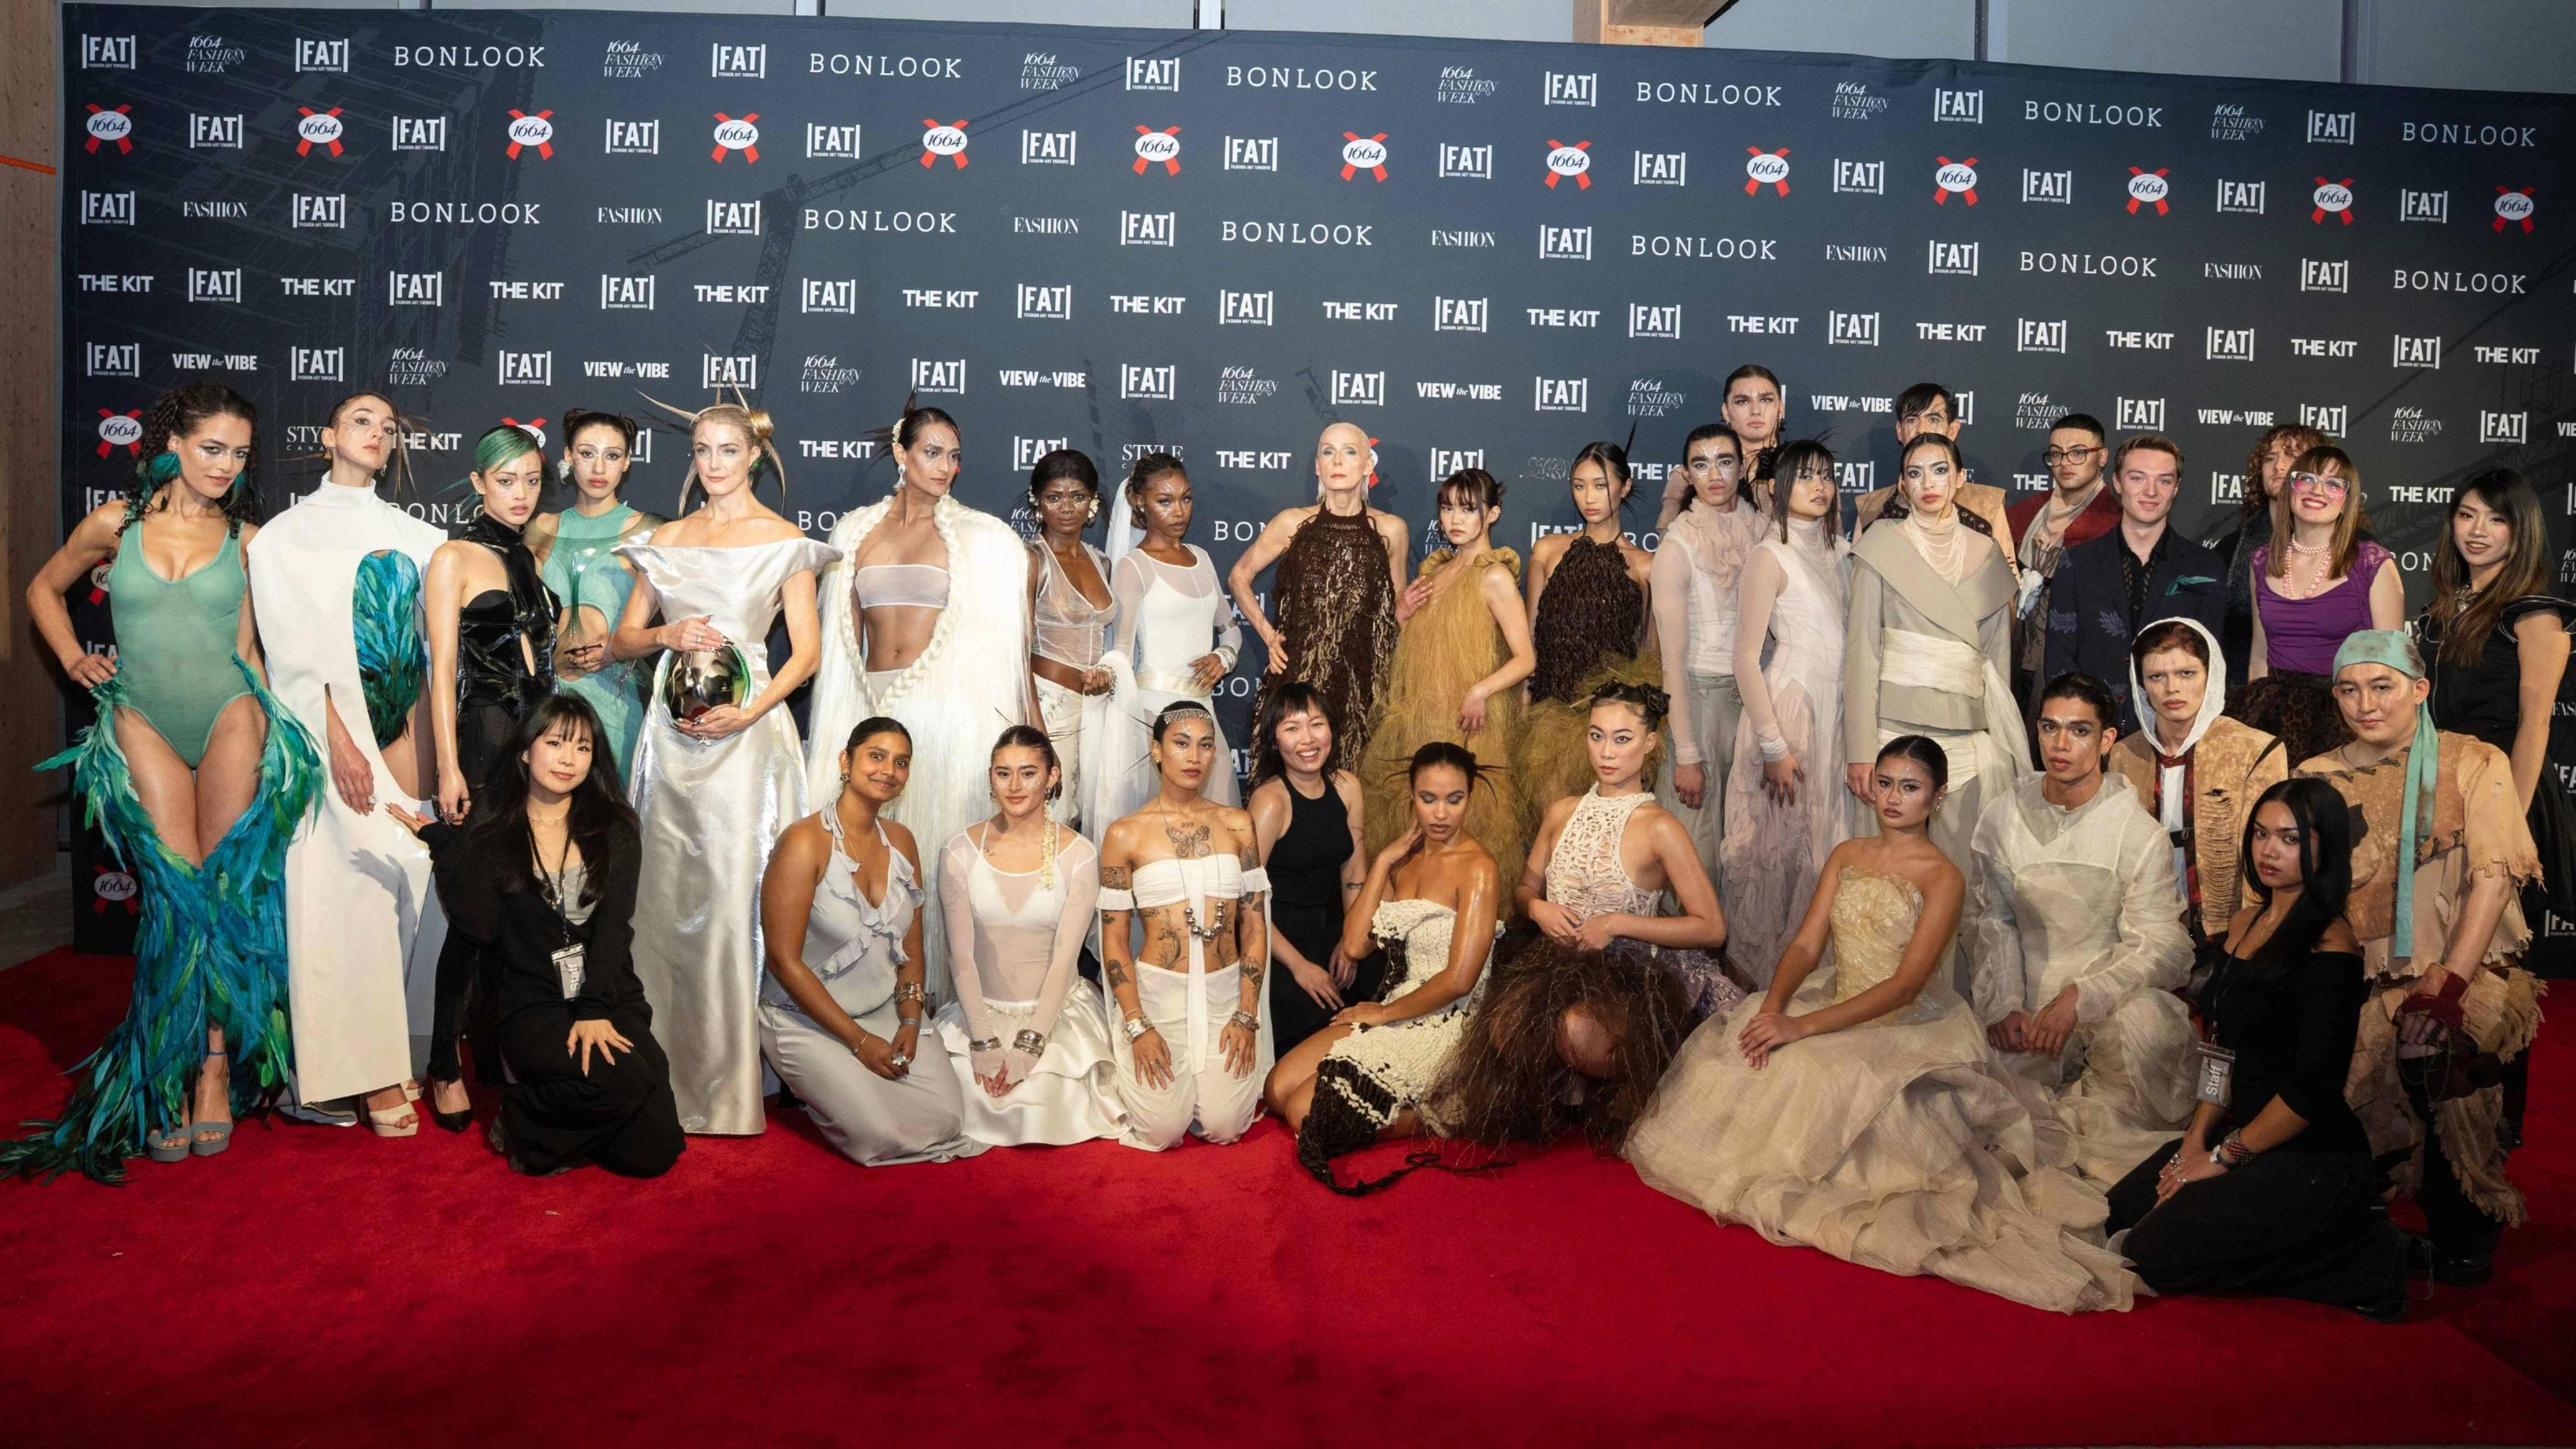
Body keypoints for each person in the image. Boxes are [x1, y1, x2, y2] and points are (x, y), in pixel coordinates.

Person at [1627, 736, 2137, 1315]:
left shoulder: (1943, 876)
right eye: (1887, 783)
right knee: (1745, 1047)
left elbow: (1905, 985)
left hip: (1905, 1020)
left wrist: (1805, 1027)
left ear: (1937, 796)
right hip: (1836, 993)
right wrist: (1774, 1005)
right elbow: (1805, 942)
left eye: (1910, 786)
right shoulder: (1847, 853)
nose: (1893, 798)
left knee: (1819, 1065)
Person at [5, 384, 319, 1180]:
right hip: (139, 715)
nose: (228, 465)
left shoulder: (251, 537)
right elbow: (44, 589)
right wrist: (75, 657)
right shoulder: (116, 523)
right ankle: (170, 1062)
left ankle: (213, 1065)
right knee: (174, 894)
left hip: (229, 716)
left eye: (242, 452)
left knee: (220, 893)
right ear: (173, 441)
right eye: (213, 446)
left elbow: (273, 646)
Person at [2106, 779, 2426, 1319]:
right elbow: (2220, 1050)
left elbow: (2312, 1089)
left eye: (2290, 838)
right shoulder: (2243, 923)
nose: (2269, 850)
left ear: (2325, 848)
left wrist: (2220, 1158)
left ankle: (2367, 1258)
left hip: (2313, 1156)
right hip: (2242, 1134)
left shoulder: (2331, 941)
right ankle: (2310, 1235)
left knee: (2147, 1255)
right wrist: (2195, 1138)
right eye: (2260, 834)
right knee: (2116, 1216)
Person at [609, 399, 838, 1136]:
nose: (713, 463)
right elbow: (620, 640)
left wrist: (754, 709)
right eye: (703, 450)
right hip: (670, 747)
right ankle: (659, 1075)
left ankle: (733, 1079)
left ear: (754, 457)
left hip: (746, 745)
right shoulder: (664, 540)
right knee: (665, 898)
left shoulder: (782, 542)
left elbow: (806, 651)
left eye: (727, 450)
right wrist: (664, 633)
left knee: (737, 896)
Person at [2300, 631, 2547, 1287]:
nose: (2366, 704)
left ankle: (2464, 1218)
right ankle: (2364, 1200)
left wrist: (2447, 987)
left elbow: (2494, 879)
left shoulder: (2474, 760)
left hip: (2468, 973)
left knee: (2432, 1050)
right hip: (2358, 978)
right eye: (2349, 690)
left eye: (2382, 686)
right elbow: (2307, 897)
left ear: (2419, 688)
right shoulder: (2315, 777)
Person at [248, 390, 449, 1137]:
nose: (377, 433)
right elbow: (287, 655)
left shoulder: (421, 538)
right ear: (329, 435)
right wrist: (334, 738)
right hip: (325, 743)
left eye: (389, 427)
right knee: (343, 896)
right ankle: (356, 1072)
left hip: (407, 743)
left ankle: (400, 1052)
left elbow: (433, 657)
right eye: (362, 420)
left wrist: (433, 762)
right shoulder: (281, 539)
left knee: (413, 889)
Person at [1428, 683, 1738, 1154]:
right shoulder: (1561, 811)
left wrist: (1617, 923)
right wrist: (1537, 907)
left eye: (1621, 738)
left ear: (1650, 742)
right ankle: (1565, 1092)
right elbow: (1524, 889)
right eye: (1597, 736)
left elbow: (1711, 926)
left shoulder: (1660, 826)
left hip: (1629, 973)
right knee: (1505, 1025)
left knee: (1577, 1029)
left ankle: (1627, 1086)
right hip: (1555, 960)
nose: (1606, 752)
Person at [392, 696, 682, 1177]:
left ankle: (556, 1120)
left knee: (653, 1152)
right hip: (534, 1000)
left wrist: (594, 1009)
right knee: (624, 1084)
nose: (569, 759)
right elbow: (480, 927)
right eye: (555, 743)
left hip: (606, 993)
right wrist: (448, 847)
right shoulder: (495, 834)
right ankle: (523, 1119)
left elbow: (615, 926)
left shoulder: (615, 827)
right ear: (526, 751)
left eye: (583, 747)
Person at [808, 403, 1035, 1001]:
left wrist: (1033, 734)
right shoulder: (854, 532)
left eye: (954, 456)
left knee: (932, 866)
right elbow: (839, 642)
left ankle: (931, 1002)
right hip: (865, 709)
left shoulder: (984, 542)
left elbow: (1009, 658)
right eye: (933, 452)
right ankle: (853, 998)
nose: (946, 466)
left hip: (943, 722)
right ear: (902, 453)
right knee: (855, 871)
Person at [1966, 673, 2196, 1184]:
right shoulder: (2003, 815)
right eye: (2049, 727)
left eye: (2079, 730)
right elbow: (1993, 920)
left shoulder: (2136, 832)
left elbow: (2161, 945)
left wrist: (2081, 996)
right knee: (1986, 1129)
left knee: (2145, 1026)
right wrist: (2005, 1001)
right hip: (2025, 1005)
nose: (2060, 744)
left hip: (2106, 1003)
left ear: (2107, 740)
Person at [1268, 742, 1504, 1194]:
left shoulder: (1479, 869)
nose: (1441, 813)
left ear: (1469, 798)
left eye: (1454, 799)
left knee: (1304, 1111)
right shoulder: (1407, 860)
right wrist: (1381, 863)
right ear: (1411, 798)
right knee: (1277, 1090)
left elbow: (1460, 979)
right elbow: (1355, 944)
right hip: (1398, 1006)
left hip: (1448, 1018)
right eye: (1428, 798)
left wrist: (1379, 1013)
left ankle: (1443, 1113)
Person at [1843, 432, 2029, 985]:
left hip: (1967, 740)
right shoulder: (1879, 545)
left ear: (1960, 478)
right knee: (1885, 879)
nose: (1929, 484)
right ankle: (1874, 996)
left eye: (1939, 470)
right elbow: (1861, 651)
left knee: (1961, 879)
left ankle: (1953, 1011)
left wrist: (1996, 741)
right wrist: (1859, 748)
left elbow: (1995, 663)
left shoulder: (1988, 555)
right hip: (1890, 731)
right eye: (1916, 473)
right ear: (1902, 484)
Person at [758, 718, 981, 1167]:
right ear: (847, 760)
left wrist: (910, 1021)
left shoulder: (901, 841)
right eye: (876, 756)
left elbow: (913, 950)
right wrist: (859, 1042)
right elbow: (783, 961)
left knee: (950, 1118)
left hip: (884, 1010)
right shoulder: (803, 842)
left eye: (901, 762)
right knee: (879, 1134)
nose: (889, 770)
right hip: (804, 1018)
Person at [421, 423, 561, 1129]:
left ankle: (495, 1048)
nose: (520, 494)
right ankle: (443, 1061)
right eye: (507, 481)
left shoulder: (527, 556)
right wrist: (448, 766)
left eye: (532, 481)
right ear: (478, 483)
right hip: (485, 739)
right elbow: (442, 670)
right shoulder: (454, 556)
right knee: (476, 915)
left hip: (538, 742)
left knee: (525, 907)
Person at [2415, 468, 2575, 987]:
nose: (2477, 529)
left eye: (2495, 518)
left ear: (2519, 529)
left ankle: (2496, 1070)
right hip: (2444, 791)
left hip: (2504, 791)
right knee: (2441, 943)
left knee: (2498, 963)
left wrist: (2513, 820)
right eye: (2466, 515)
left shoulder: (2534, 614)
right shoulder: (2443, 608)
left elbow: (2535, 724)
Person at [934, 727, 1122, 1147]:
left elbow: (1065, 960)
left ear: (1052, 776)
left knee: (1042, 1111)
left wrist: (1030, 1045)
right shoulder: (958, 851)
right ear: (990, 778)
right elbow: (960, 958)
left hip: (1056, 1019)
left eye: (1028, 773)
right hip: (975, 1017)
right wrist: (983, 1041)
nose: (1015, 786)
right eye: (1003, 774)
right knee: (953, 1106)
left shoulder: (1081, 855)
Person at [1098, 704, 1271, 1150]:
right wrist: (1137, 1023)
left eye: (1206, 744)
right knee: (1161, 1129)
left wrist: (1247, 1011)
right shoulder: (1124, 834)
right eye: (1181, 742)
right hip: (1158, 999)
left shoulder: (1238, 824)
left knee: (1225, 1126)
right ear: (1156, 750)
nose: (1195, 755)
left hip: (1225, 995)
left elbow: (1254, 922)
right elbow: (1113, 940)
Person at [1358, 467, 1534, 887]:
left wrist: (1480, 690)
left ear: (1492, 515)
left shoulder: (1495, 576)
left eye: (1468, 510)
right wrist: (1402, 616)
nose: (1455, 519)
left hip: (1468, 723)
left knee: (1470, 823)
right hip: (1422, 719)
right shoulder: (1433, 573)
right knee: (1419, 828)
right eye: (1448, 508)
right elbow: (1422, 648)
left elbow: (1526, 658)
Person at [1719, 441, 1853, 988]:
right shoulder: (1767, 556)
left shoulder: (1842, 552)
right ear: (1777, 487)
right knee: (1777, 860)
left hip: (1838, 714)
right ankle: (1760, 991)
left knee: (1824, 852)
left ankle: (1813, 989)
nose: (1818, 487)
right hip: (1790, 712)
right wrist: (1773, 746)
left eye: (1826, 477)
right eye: (1805, 478)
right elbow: (1745, 659)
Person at [1228, 422, 1409, 774]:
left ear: (1368, 466)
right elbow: (1239, 576)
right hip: (1298, 682)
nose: (1338, 460)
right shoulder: (1292, 523)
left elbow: (1397, 610)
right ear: (1317, 467)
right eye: (1328, 452)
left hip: (1363, 687)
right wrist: (1269, 635)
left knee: (1354, 794)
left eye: (1350, 452)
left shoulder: (1391, 529)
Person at [2108, 618, 2287, 953]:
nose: (2172, 688)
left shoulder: (2255, 751)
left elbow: (2266, 856)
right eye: (2157, 677)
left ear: (2211, 675)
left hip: (2231, 934)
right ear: (2142, 686)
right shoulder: (2124, 755)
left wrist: (2253, 941)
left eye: (2186, 674)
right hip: (2144, 930)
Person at [1092, 454, 1243, 828]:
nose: (1179, 511)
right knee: (1158, 834)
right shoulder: (1133, 566)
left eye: (1186, 498)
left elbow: (1231, 630)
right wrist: (1105, 678)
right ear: (1140, 503)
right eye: (1165, 501)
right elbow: (1122, 651)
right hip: (1152, 719)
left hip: (1203, 715)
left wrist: (1223, 658)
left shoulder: (1203, 558)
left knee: (1221, 827)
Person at [2043, 435, 2228, 735]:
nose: (2151, 492)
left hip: (2174, 733)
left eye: (2164, 481)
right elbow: (2060, 660)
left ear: (2177, 488)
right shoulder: (2077, 564)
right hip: (2091, 734)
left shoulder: (2205, 567)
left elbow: (2211, 662)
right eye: (2138, 478)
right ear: (2117, 482)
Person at [1515, 442, 1658, 824]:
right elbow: (1530, 642)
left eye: (1600, 485)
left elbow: (1649, 654)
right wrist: (1523, 715)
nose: (1589, 497)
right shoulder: (1547, 551)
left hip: (1614, 729)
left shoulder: (1646, 566)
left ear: (1624, 487)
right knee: (1552, 839)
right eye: (1579, 486)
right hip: (1549, 719)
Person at [2237, 445, 2403, 765]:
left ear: (2348, 500)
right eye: (2307, 479)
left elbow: (2392, 668)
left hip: (2347, 718)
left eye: (2333, 484)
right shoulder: (2262, 560)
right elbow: (2260, 655)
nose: (2317, 491)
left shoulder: (2371, 563)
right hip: (2273, 718)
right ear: (2291, 489)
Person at [1651, 425, 1768, 879]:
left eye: (1724, 461)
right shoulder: (1678, 545)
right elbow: (1672, 663)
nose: (1714, 473)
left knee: (1743, 843)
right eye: (1701, 463)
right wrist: (1685, 752)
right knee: (1694, 851)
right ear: (1688, 476)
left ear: (1742, 467)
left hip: (1753, 704)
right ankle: (1682, 948)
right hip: (1697, 702)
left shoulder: (1763, 532)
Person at [530, 410, 664, 782]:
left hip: (618, 700)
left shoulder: (649, 532)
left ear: (627, 464)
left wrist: (619, 647)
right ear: (569, 457)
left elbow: (679, 622)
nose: (599, 467)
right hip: (548, 702)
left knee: (609, 822)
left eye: (613, 455)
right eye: (588, 454)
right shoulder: (541, 529)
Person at [1247, 684, 1377, 1055]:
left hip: (1331, 931)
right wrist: (1300, 967)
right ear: (1275, 741)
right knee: (1314, 1034)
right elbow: (1247, 899)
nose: (1308, 739)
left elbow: (1354, 872)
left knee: (1381, 994)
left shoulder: (1348, 787)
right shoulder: (1270, 802)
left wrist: (1351, 946)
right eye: (1292, 729)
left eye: (1316, 724)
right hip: (1276, 943)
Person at [1023, 449, 1117, 831]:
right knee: (1049, 819)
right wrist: (1036, 725)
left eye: (1078, 496)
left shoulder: (1103, 562)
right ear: (1038, 502)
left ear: (1092, 502)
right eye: (1054, 497)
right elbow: (1015, 651)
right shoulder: (1031, 559)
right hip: (1049, 706)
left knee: (1089, 819)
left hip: (1099, 711)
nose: (1066, 508)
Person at [2007, 413, 2122, 716]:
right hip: (2017, 652)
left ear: (2102, 457)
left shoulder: (2119, 522)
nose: (2065, 463)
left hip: (2080, 659)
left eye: (2078, 453)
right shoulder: (2023, 513)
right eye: (2056, 454)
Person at [2205, 422, 2327, 689]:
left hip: (2329, 697)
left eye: (2292, 457)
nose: (2279, 466)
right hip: (2240, 695)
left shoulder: (2357, 549)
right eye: (2270, 459)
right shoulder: (2230, 549)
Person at [1850, 383, 2019, 558]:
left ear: (1952, 430)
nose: (1922, 429)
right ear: (1900, 432)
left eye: (1933, 420)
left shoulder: (1987, 505)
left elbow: (2006, 577)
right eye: (1912, 420)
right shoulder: (1871, 508)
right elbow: (1860, 579)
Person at [1657, 365, 1785, 527]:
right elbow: (1668, 544)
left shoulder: (1802, 471)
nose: (1756, 411)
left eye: (1766, 400)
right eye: (1743, 402)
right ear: (1726, 412)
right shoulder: (1689, 477)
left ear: (1781, 408)